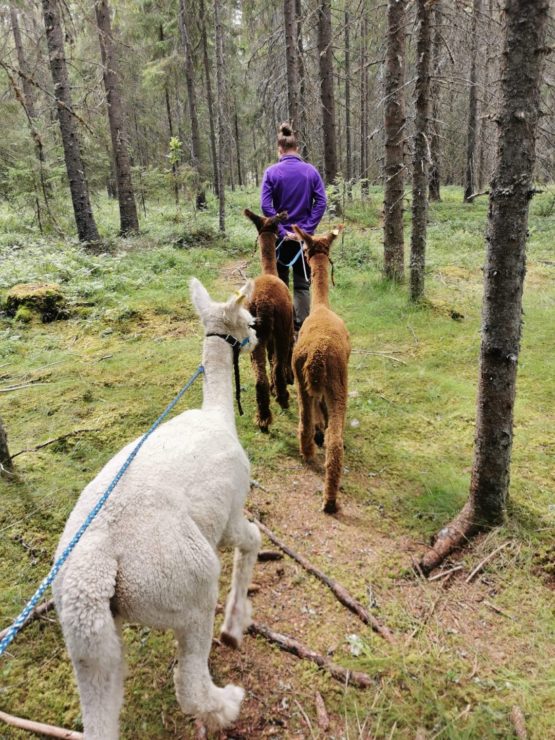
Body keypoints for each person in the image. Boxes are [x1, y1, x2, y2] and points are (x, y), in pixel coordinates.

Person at [261, 123, 327, 330]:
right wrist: (305, 231)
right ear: (296, 149)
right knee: (302, 284)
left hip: (280, 241)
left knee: (279, 284)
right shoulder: (310, 172)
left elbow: (265, 205)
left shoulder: (271, 173)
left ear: (279, 150)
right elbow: (321, 202)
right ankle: (301, 328)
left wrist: (281, 231)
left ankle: (282, 326)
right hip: (303, 242)